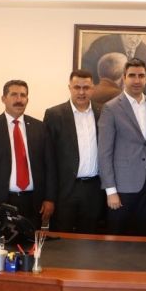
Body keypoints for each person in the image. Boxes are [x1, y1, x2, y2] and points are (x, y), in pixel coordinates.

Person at [0, 80, 56, 229]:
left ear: (27, 99)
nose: (19, 99)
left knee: (31, 242)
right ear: (3, 99)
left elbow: (50, 166)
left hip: (33, 202)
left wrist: (50, 198)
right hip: (0, 202)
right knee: (1, 242)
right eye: (14, 95)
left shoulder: (40, 128)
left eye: (23, 95)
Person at [98, 58, 146, 235]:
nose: (137, 80)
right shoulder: (111, 108)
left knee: (145, 238)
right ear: (124, 77)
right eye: (132, 75)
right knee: (117, 239)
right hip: (122, 188)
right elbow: (104, 153)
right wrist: (110, 191)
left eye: (141, 76)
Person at [43, 69, 104, 233]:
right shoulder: (54, 115)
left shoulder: (103, 112)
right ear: (69, 88)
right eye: (77, 87)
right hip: (65, 190)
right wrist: (49, 196)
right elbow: (48, 159)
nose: (81, 92)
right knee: (62, 240)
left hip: (94, 189)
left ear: (93, 88)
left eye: (86, 87)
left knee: (90, 239)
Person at [81, 33, 146, 97]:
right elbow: (85, 72)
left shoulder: (144, 51)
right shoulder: (102, 44)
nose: (134, 40)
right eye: (131, 35)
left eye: (139, 35)